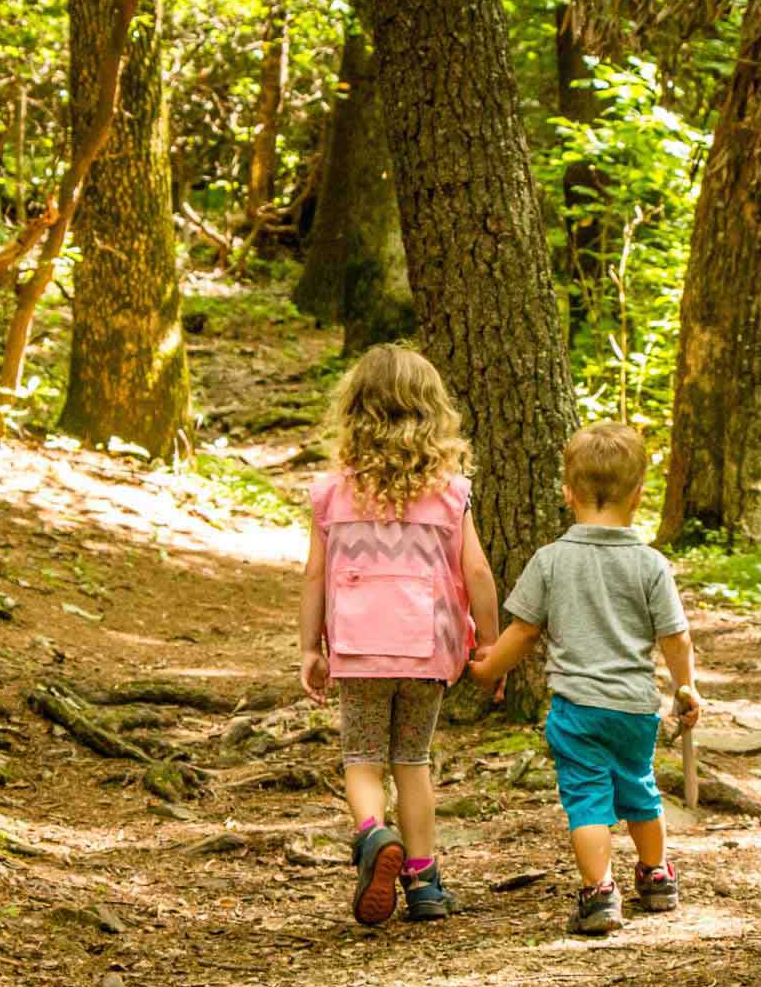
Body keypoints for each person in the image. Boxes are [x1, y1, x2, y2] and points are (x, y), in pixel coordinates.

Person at [468, 422, 700, 935]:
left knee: (587, 801)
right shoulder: (651, 565)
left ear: (567, 493)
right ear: (638, 495)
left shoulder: (551, 560)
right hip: (635, 708)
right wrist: (685, 688)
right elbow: (676, 637)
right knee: (640, 788)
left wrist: (487, 669)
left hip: (577, 710)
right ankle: (656, 875)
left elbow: (524, 632)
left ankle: (599, 893)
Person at [299, 344, 500, 926]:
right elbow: (477, 571)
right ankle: (425, 882)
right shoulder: (450, 492)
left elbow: (313, 575)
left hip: (358, 649)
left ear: (354, 410)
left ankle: (372, 835)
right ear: (431, 412)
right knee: (413, 761)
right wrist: (489, 643)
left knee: (362, 758)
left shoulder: (331, 493)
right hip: (427, 647)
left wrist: (309, 648)